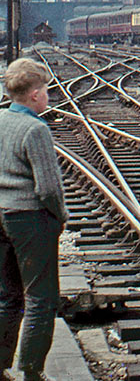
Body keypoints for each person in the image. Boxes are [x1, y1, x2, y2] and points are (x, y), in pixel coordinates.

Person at [0, 58, 67, 381]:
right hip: (29, 219)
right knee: (41, 298)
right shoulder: (36, 129)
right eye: (47, 92)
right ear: (36, 95)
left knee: (7, 296)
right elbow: (50, 188)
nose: (49, 97)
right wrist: (60, 217)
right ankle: (31, 371)